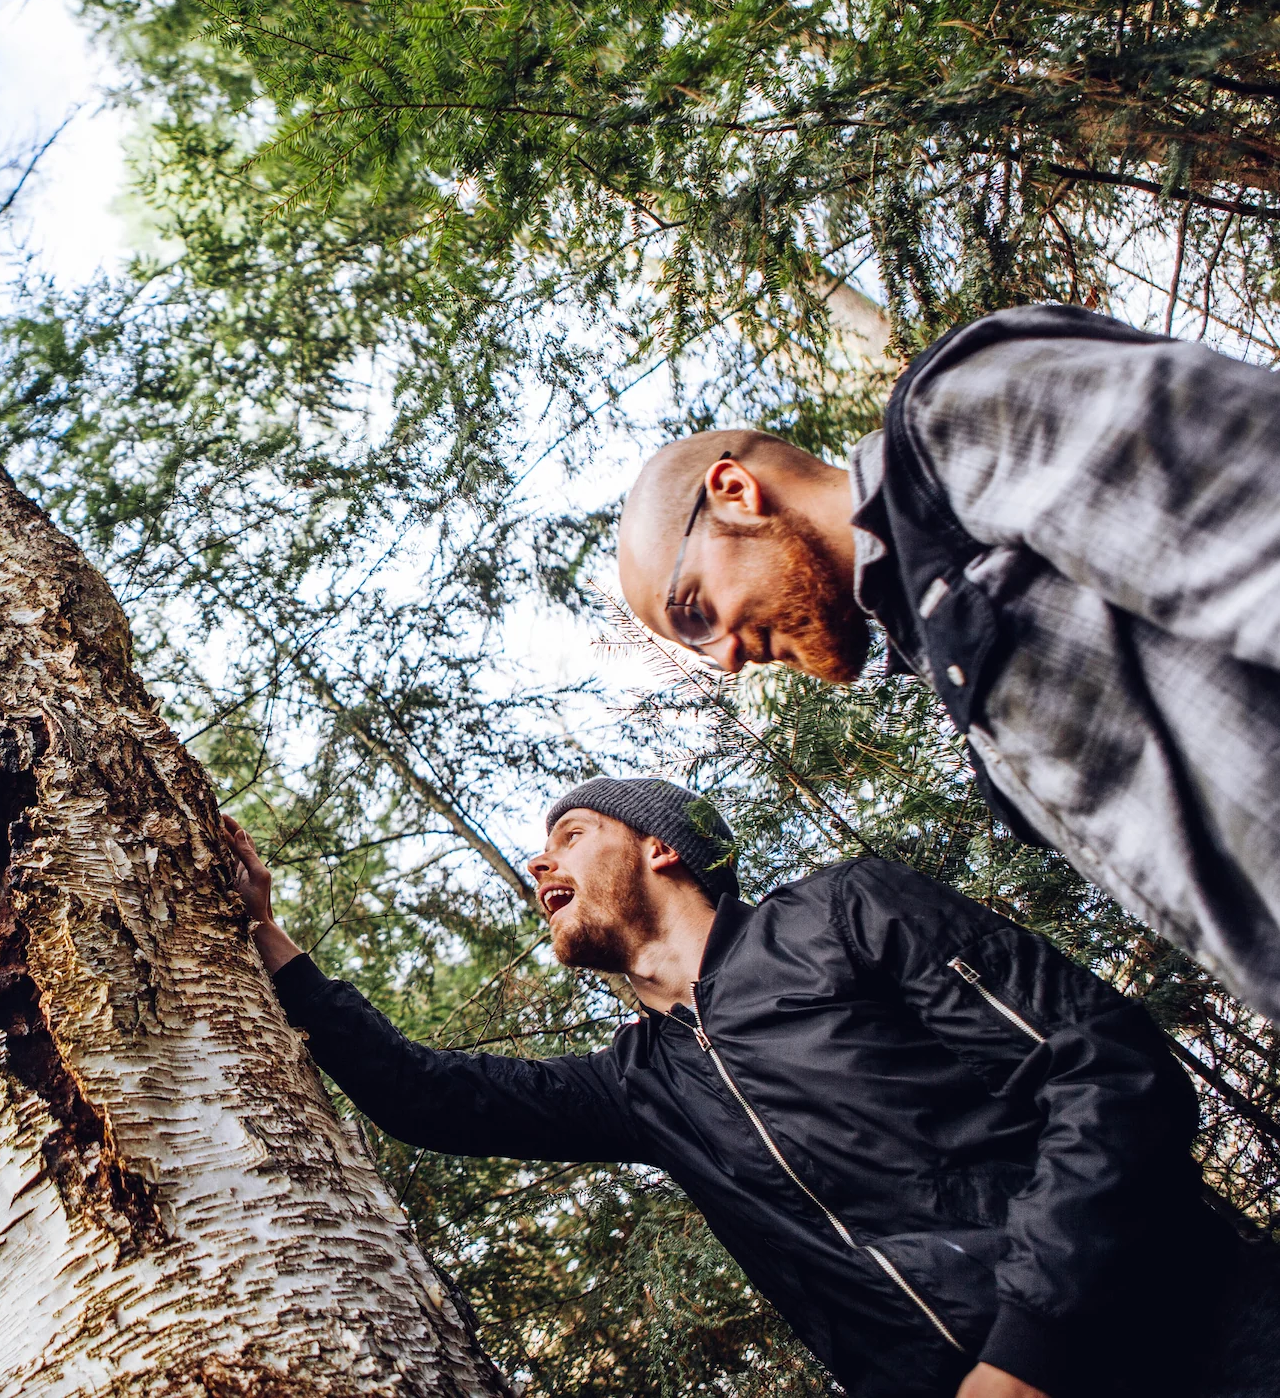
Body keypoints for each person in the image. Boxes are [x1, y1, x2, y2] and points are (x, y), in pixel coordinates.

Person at [223, 781, 1280, 1398]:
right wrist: (270, 945)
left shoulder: (841, 917)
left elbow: (1103, 1069)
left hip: (1199, 1336)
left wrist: (1027, 1349)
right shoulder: (640, 1086)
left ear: (660, 846)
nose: (532, 864)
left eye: (567, 835)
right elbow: (426, 1098)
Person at [611, 305, 1280, 1020]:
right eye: (696, 646)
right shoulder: (938, 646)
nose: (729, 660)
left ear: (736, 493)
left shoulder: (954, 419)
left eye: (695, 611)